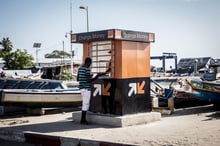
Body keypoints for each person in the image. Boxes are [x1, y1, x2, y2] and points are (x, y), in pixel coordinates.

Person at [77, 57, 104, 124]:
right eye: (90, 63)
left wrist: (89, 76)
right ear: (88, 63)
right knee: (85, 104)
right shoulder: (87, 69)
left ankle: (83, 119)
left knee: (85, 103)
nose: (90, 65)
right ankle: (83, 120)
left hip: (81, 88)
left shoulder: (80, 69)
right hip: (86, 88)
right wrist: (96, 76)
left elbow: (78, 79)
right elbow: (88, 80)